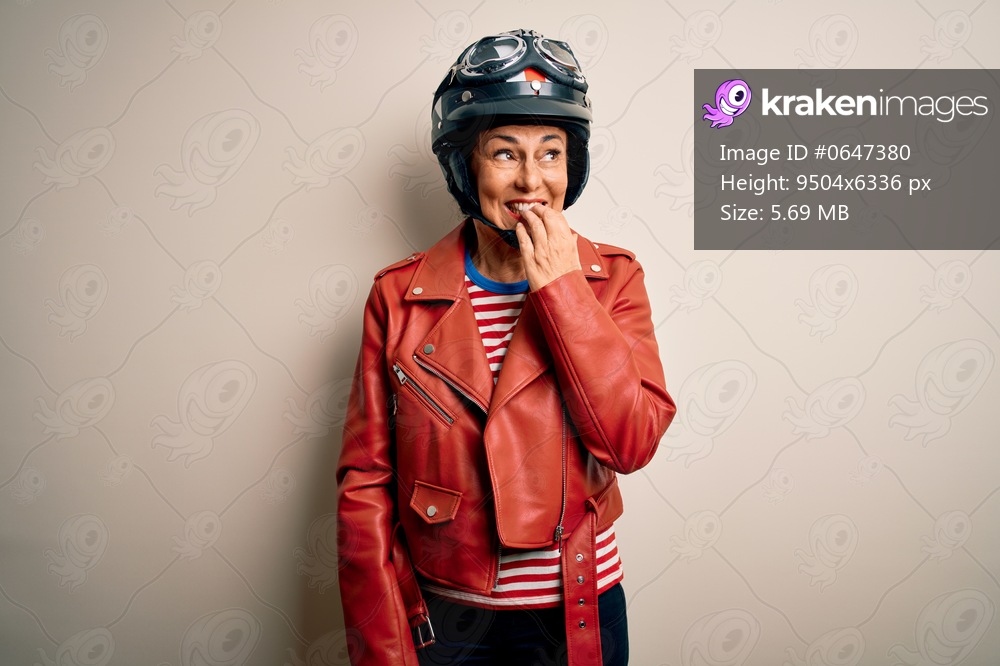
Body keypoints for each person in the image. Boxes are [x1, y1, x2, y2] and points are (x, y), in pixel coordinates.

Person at [337, 28, 676, 666]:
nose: (531, 180)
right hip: (446, 614)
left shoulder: (614, 279)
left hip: (578, 607)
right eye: (504, 154)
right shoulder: (395, 296)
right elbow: (366, 486)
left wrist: (562, 292)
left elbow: (630, 443)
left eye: (551, 153)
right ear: (465, 166)